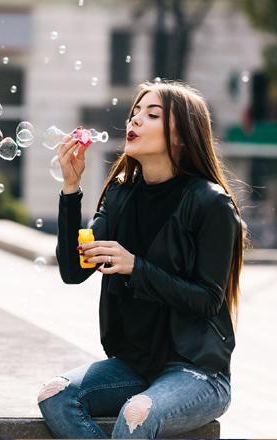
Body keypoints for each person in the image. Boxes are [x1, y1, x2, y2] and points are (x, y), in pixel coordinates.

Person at [38, 81, 245, 439]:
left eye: (152, 115)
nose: (135, 120)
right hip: (135, 367)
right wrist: (71, 189)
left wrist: (137, 267)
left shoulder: (211, 204)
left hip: (197, 372)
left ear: (182, 136)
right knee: (55, 396)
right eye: (135, 112)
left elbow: (208, 300)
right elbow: (74, 271)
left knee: (137, 413)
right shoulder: (120, 195)